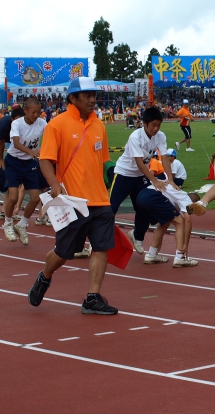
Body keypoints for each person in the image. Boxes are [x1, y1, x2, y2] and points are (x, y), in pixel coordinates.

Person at [28, 77, 118, 315]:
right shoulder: (57, 125)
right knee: (63, 252)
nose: (92, 100)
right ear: (73, 98)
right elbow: (45, 160)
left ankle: (92, 297)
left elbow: (102, 161)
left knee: (101, 247)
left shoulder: (99, 125)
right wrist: (54, 184)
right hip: (73, 201)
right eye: (87, 96)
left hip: (100, 200)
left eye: (94, 95)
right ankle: (45, 276)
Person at [110, 106, 178, 254]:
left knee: (144, 206)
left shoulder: (160, 136)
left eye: (158, 125)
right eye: (153, 125)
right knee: (112, 207)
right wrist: (154, 180)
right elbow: (140, 163)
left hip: (140, 176)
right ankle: (100, 238)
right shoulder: (135, 137)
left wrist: (170, 179)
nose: (156, 129)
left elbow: (164, 158)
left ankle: (137, 236)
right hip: (124, 173)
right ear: (144, 123)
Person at [2, 97, 47, 245]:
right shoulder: (17, 124)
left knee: (35, 198)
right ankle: (8, 223)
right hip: (14, 162)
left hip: (29, 163)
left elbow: (51, 135)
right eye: (33, 112)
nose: (36, 115)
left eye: (38, 112)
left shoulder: (42, 123)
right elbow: (15, 143)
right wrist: (30, 151)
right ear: (25, 111)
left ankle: (22, 224)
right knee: (13, 197)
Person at [135, 184, 200, 267]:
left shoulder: (176, 197)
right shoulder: (186, 200)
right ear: (194, 204)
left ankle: (151, 254)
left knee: (166, 222)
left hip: (141, 196)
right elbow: (188, 221)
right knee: (180, 222)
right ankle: (180, 257)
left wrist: (159, 242)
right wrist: (185, 245)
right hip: (153, 196)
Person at [0, 107, 26, 213]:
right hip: (1, 145)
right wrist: (1, 159)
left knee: (12, 184)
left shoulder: (24, 125)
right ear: (12, 119)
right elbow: (1, 143)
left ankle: (4, 211)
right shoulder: (5, 124)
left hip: (15, 156)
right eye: (16, 120)